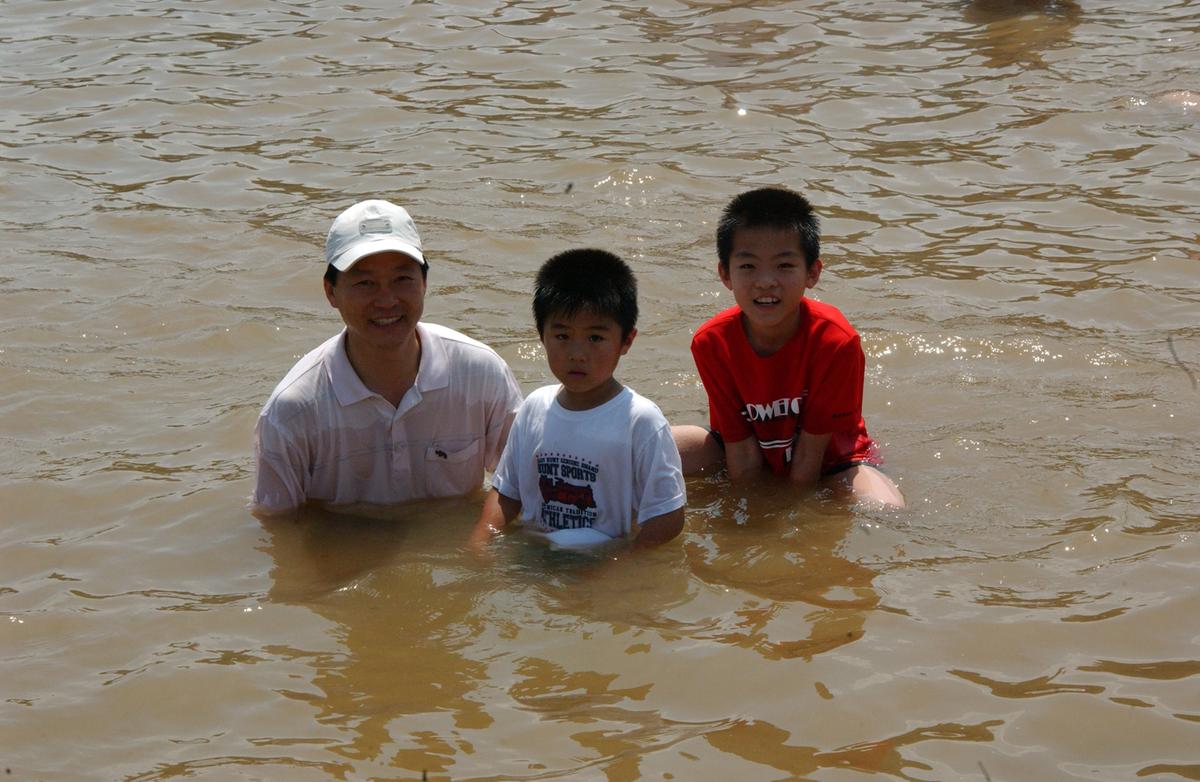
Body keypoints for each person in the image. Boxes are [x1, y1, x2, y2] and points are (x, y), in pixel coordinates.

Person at [253, 199, 523, 515]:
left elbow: (521, 487)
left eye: (402, 279)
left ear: (424, 283)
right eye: (365, 283)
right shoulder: (292, 412)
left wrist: (481, 549)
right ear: (331, 292)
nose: (386, 300)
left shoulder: (481, 373)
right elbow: (279, 528)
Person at [673, 187, 905, 507]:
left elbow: (809, 461)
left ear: (812, 272)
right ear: (725, 274)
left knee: (885, 508)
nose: (766, 281)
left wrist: (787, 523)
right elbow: (740, 451)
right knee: (649, 449)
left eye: (784, 266)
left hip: (832, 461)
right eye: (748, 266)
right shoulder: (711, 342)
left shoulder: (836, 340)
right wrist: (748, 516)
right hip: (746, 450)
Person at [469, 249, 687, 551]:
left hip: (603, 556)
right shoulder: (535, 407)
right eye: (562, 336)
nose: (577, 354)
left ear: (627, 341)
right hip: (537, 552)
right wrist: (481, 539)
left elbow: (668, 515)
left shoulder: (640, 420)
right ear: (541, 335)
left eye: (595, 338)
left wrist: (621, 567)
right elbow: (507, 492)